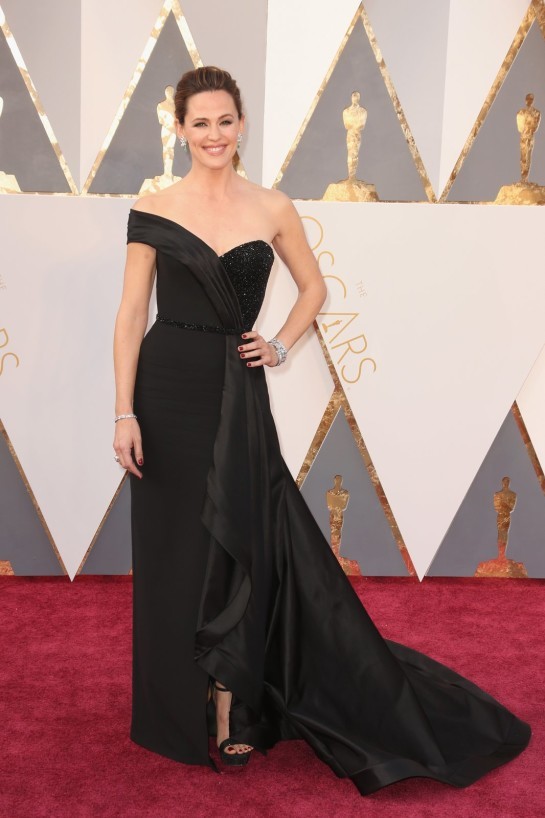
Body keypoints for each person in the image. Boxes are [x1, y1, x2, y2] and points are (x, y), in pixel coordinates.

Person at [113, 66, 530, 795]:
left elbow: (315, 288)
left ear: (241, 125)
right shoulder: (152, 208)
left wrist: (277, 343)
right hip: (165, 388)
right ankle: (174, 704)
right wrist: (124, 410)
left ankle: (232, 707)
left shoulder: (272, 206)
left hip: (234, 393)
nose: (213, 134)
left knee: (238, 541)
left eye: (224, 120)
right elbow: (128, 315)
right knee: (174, 549)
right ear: (179, 129)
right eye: (199, 122)